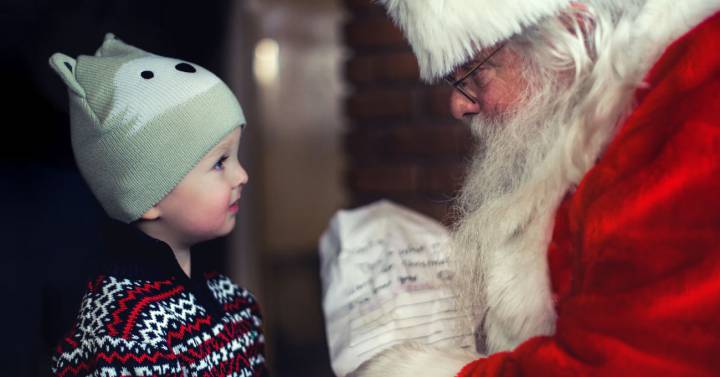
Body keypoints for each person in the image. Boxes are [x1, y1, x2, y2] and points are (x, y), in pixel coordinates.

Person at [352, 0, 720, 376]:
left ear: (572, 29)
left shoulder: (696, 105)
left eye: (474, 72)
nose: (459, 105)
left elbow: (630, 361)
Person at [48, 33, 266, 376]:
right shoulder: (123, 330)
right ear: (148, 197)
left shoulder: (235, 302)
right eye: (220, 162)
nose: (242, 175)